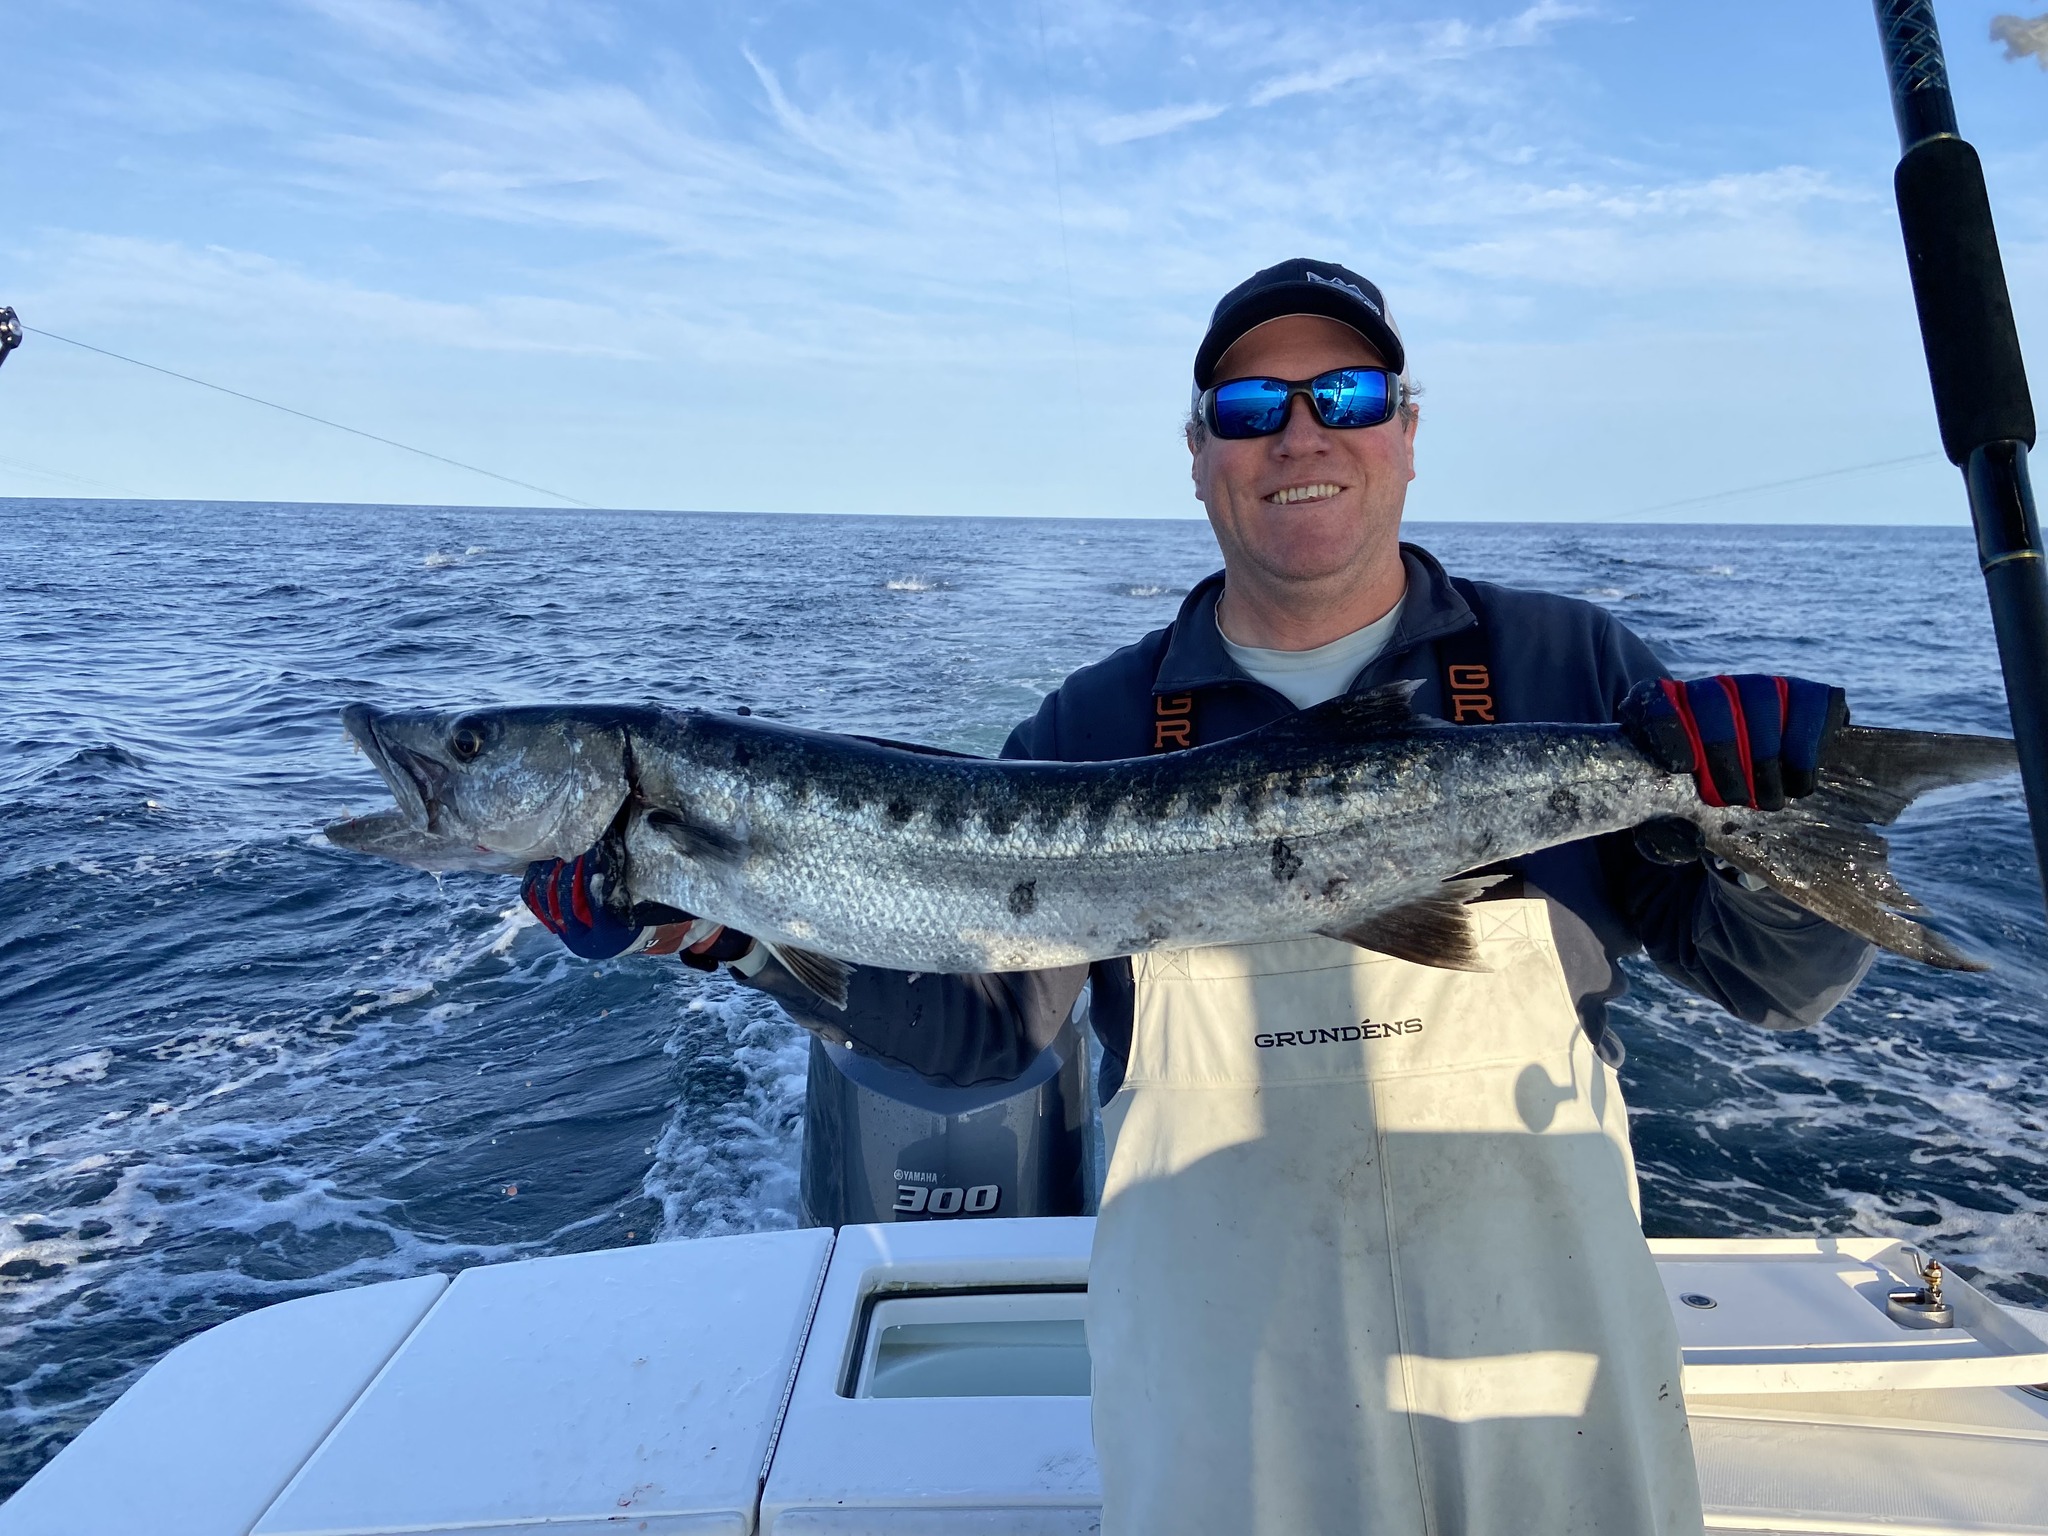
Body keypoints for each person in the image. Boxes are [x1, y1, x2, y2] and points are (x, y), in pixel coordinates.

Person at [525, 258, 1873, 1536]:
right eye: (1248, 408)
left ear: (1406, 433)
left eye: (1345, 395)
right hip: (1226, 1392)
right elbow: (987, 1036)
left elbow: (1781, 982)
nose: (1299, 435)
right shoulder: (1097, 721)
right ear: (1196, 452)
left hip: (1543, 1373)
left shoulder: (1568, 663)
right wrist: (730, 932)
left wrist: (1766, 821)